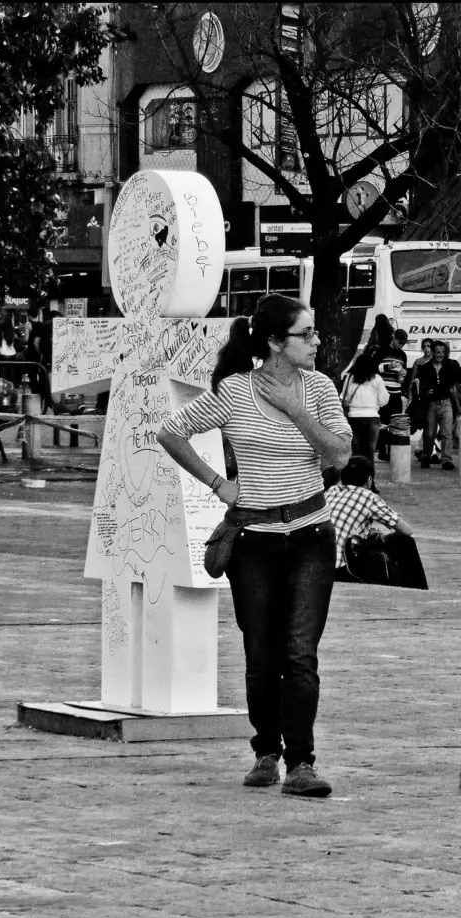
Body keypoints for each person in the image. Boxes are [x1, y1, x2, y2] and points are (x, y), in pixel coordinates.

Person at [156, 295, 352, 798]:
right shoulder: (235, 391)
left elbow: (340, 455)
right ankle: (266, 751)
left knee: (300, 653)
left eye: (314, 332)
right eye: (306, 334)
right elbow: (171, 432)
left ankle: (301, 763)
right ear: (274, 343)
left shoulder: (320, 387)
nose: (317, 341)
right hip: (253, 540)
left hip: (310, 535)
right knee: (261, 653)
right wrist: (218, 484)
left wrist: (296, 410)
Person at [326, 455, 426, 589]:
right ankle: (419, 589)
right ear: (369, 480)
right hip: (345, 566)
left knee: (372, 540)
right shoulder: (368, 496)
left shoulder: (331, 492)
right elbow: (407, 530)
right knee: (404, 542)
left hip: (321, 565)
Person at [416, 339, 461, 470]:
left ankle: (446, 459)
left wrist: (458, 407)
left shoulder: (450, 366)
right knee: (429, 433)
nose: (440, 355)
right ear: (433, 352)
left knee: (447, 433)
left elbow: (453, 388)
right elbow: (420, 386)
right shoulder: (425, 368)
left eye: (442, 352)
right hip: (431, 404)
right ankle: (426, 456)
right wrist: (426, 391)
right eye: (438, 352)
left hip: (446, 403)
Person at [340, 352, 389, 466]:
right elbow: (384, 399)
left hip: (353, 417)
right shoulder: (376, 379)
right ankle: (369, 476)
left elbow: (344, 397)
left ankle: (356, 475)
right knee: (369, 451)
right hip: (372, 417)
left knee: (356, 452)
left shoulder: (350, 378)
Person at [373, 327, 408, 461]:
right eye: (399, 342)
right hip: (383, 392)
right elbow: (373, 368)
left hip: (396, 392)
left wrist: (402, 376)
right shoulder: (382, 351)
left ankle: (392, 451)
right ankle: (382, 451)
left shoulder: (402, 355)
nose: (401, 346)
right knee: (383, 423)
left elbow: (403, 375)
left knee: (395, 423)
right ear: (394, 338)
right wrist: (388, 367)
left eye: (403, 344)